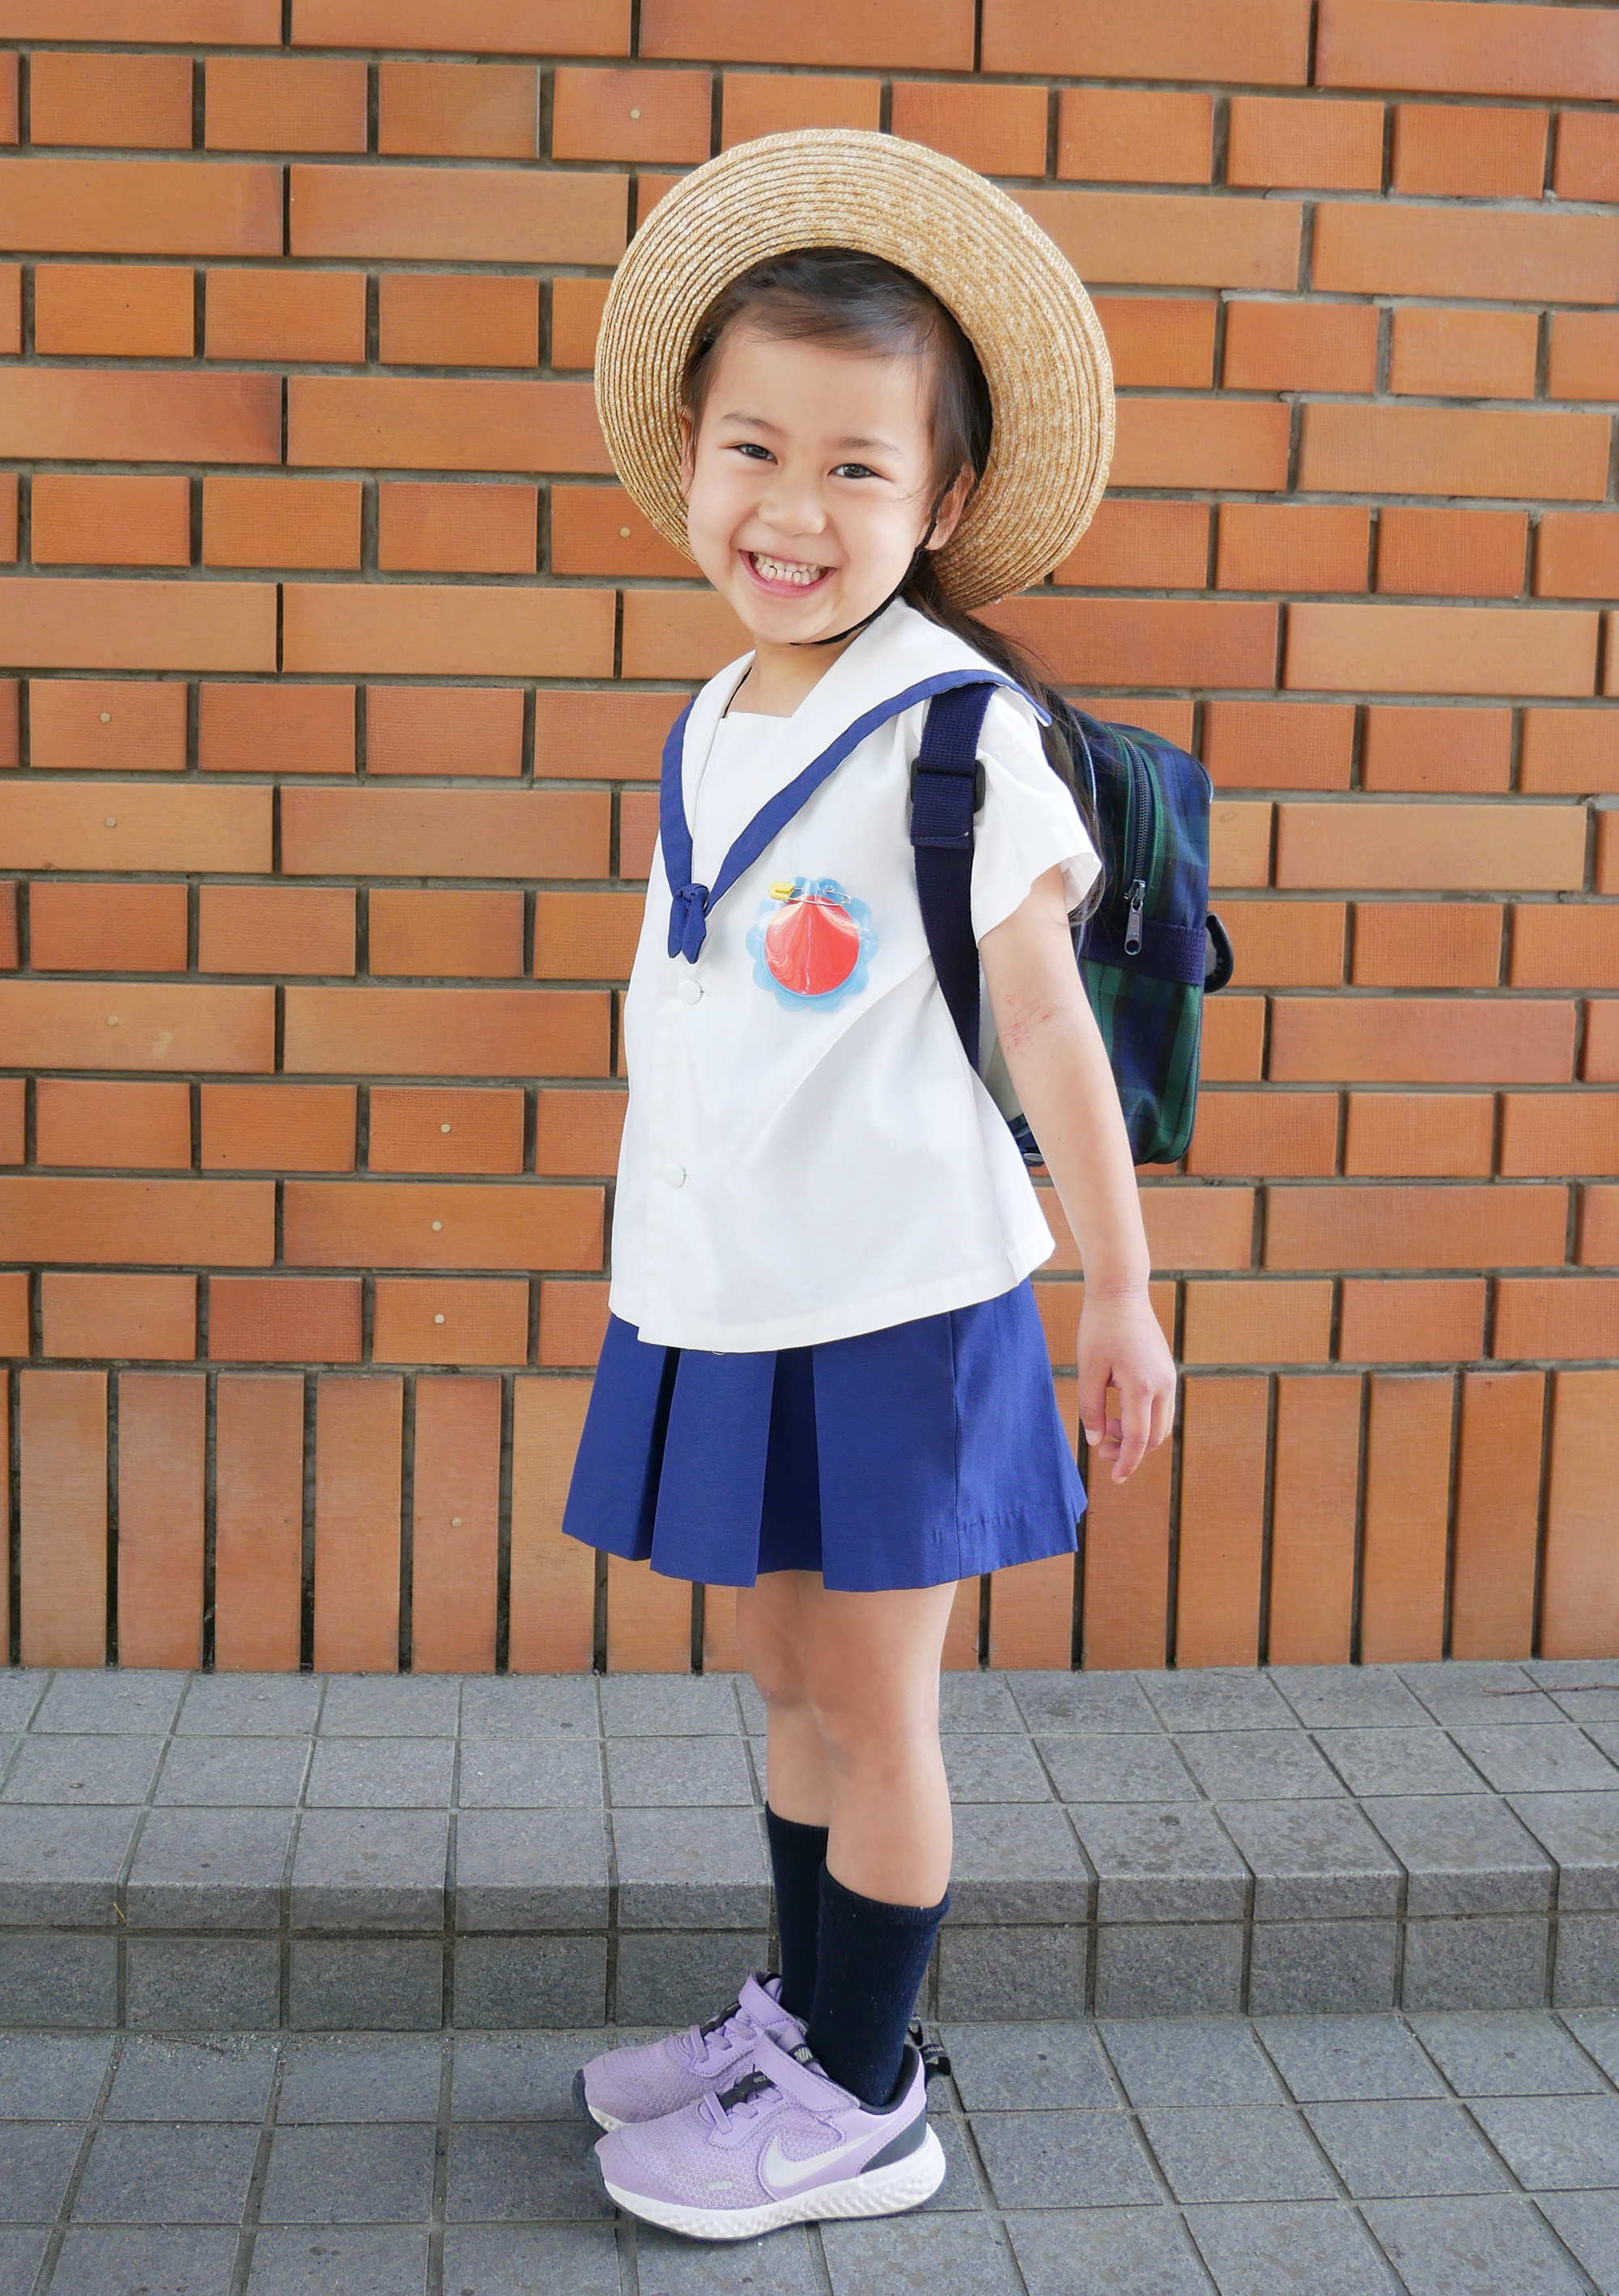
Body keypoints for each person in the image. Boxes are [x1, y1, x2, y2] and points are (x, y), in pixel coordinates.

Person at [563, 129, 1178, 2242]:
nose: (792, 510)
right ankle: (808, 2026)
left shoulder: (955, 736)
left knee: (881, 1698)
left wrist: (1117, 1291)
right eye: (756, 450)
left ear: (940, 505)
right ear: (687, 454)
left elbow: (1048, 1037)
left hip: (902, 1308)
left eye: (854, 467)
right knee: (785, 1678)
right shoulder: (715, 712)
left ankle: (862, 2100)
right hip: (739, 1296)